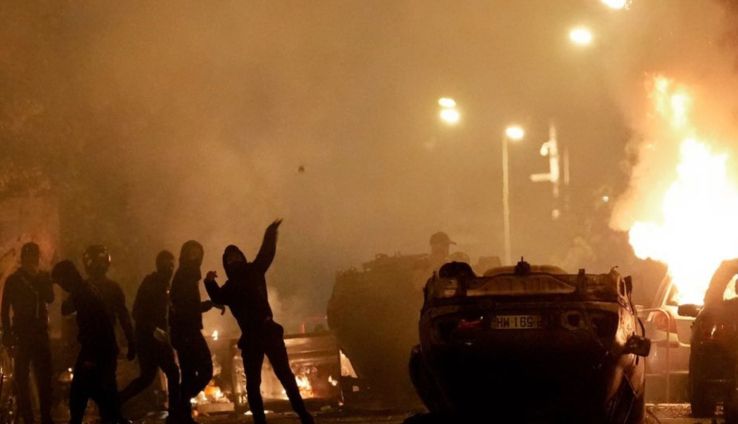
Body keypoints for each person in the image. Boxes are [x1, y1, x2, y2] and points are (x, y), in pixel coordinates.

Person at [205, 219, 314, 424]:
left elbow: (267, 253)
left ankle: (304, 415)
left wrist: (270, 233)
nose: (234, 259)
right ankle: (260, 421)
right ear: (226, 264)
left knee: (285, 376)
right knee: (253, 384)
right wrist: (209, 282)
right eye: (230, 258)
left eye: (236, 255)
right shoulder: (229, 287)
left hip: (267, 330)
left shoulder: (254, 270)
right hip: (251, 337)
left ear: (242, 257)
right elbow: (217, 297)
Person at [52, 260, 123, 424]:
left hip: (96, 349)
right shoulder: (85, 290)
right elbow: (67, 309)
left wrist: (90, 357)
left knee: (82, 392)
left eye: (61, 282)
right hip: (102, 348)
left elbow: (94, 325)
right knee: (96, 392)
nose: (62, 287)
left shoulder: (83, 293)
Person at [119, 250, 180, 423]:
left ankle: (115, 402)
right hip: (148, 339)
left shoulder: (165, 285)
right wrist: (154, 329)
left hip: (156, 338)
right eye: (166, 265)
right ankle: (175, 415)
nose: (170, 268)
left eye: (172, 265)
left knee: (147, 378)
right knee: (171, 373)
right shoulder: (151, 283)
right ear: (159, 265)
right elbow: (137, 311)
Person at [1, 242, 54, 424]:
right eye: (30, 256)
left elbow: (50, 298)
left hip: (38, 334)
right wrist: (8, 333)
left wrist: (42, 280)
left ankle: (44, 416)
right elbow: (5, 309)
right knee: (22, 379)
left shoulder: (42, 277)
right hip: (24, 334)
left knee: (43, 377)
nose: (32, 260)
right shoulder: (13, 280)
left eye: (34, 256)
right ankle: (30, 417)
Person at [169, 240, 221, 423]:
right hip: (187, 332)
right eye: (192, 254)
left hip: (184, 331)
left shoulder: (187, 275)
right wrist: (209, 304)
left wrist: (209, 303)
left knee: (189, 375)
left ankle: (181, 415)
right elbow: (186, 308)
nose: (195, 258)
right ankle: (178, 407)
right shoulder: (185, 275)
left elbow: (189, 306)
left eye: (198, 254)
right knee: (205, 370)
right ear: (185, 255)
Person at [62, 245, 136, 362]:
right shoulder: (112, 288)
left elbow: (66, 309)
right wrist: (131, 341)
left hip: (89, 345)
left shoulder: (83, 288)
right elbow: (123, 316)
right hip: (104, 344)